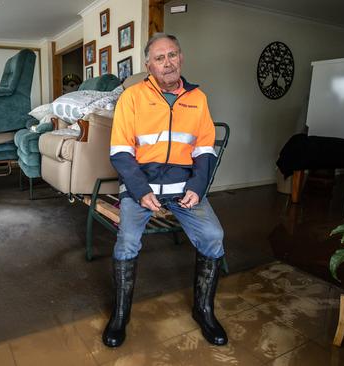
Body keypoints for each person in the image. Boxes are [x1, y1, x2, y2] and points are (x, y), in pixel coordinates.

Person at [103, 33, 227, 348]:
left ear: (181, 58)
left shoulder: (198, 99)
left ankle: (204, 310)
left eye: (173, 54)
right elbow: (120, 151)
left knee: (213, 236)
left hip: (185, 188)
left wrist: (198, 187)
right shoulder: (131, 97)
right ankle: (120, 315)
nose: (168, 62)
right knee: (127, 241)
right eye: (160, 57)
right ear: (149, 65)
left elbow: (204, 150)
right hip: (140, 189)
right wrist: (140, 190)